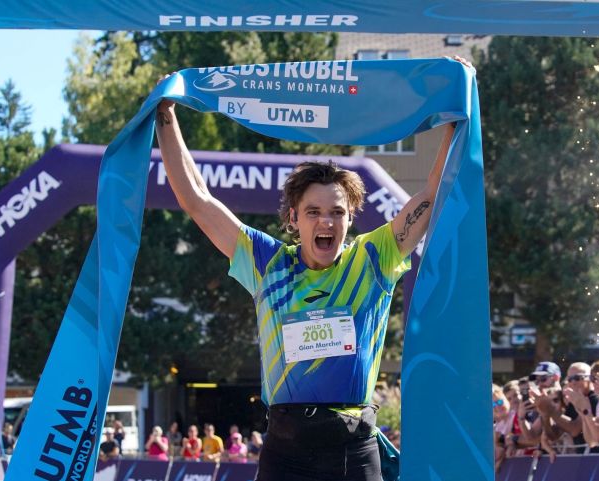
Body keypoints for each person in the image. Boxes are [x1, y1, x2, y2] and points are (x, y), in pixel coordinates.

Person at [154, 56, 471, 481]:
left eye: (337, 212)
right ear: (294, 219)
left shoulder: (372, 257)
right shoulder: (268, 262)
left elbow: (433, 196)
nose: (326, 222)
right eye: (314, 212)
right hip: (285, 450)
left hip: (352, 449)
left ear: (351, 217)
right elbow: (197, 199)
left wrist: (453, 111)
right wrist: (166, 115)